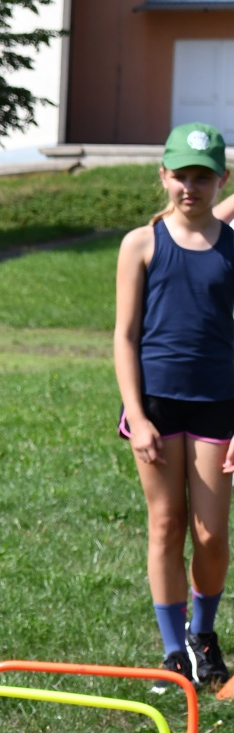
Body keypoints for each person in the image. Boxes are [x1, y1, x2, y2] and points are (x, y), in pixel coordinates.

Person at [114, 122, 234, 689]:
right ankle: (172, 652)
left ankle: (202, 634)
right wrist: (136, 416)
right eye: (181, 175)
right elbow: (124, 336)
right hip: (157, 406)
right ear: (163, 176)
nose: (191, 187)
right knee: (165, 525)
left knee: (210, 534)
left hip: (218, 405)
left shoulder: (231, 245)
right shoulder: (141, 244)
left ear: (221, 181)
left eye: (203, 178)